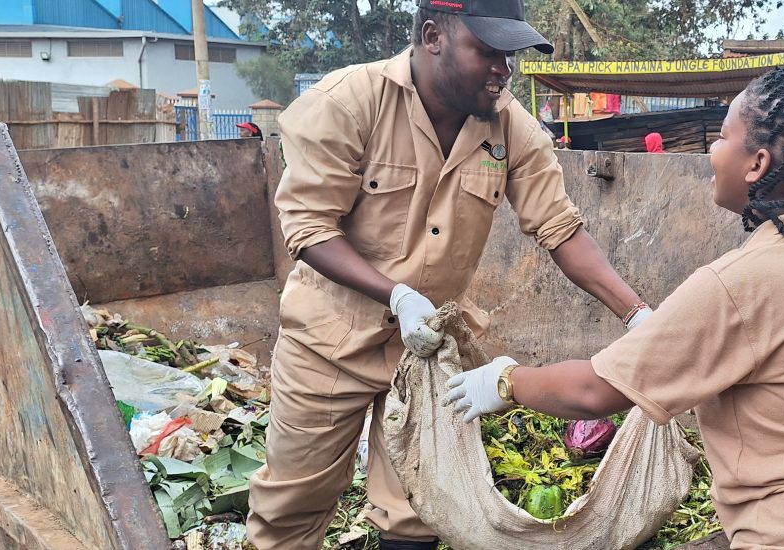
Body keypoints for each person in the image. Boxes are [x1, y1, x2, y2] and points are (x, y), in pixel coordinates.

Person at [443, 21, 784, 550]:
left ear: (757, 164)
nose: (713, 150)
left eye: (723, 137)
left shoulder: (738, 284)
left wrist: (505, 381)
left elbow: (592, 391)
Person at [246, 1, 652, 548]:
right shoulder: (347, 103)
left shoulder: (511, 128)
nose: (501, 69)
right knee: (291, 507)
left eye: (507, 55)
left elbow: (560, 229)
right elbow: (309, 228)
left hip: (425, 355)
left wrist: (637, 313)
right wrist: (397, 296)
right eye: (486, 51)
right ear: (433, 35)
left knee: (419, 511)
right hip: (327, 345)